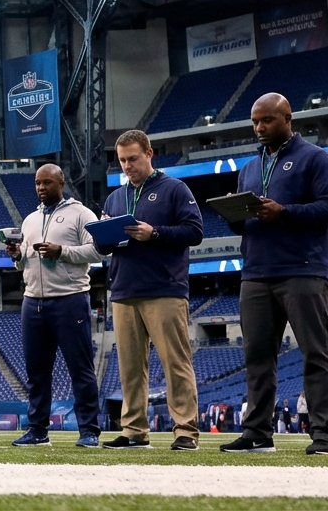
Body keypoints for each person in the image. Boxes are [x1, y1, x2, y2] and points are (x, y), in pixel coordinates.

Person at [222, 93, 328, 456]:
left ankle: (325, 436)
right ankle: (257, 433)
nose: (260, 128)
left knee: (315, 353)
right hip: (256, 272)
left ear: (288, 119)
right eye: (255, 122)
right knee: (257, 356)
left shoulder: (316, 158)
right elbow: (248, 224)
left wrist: (285, 212)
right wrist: (234, 215)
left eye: (267, 120)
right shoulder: (249, 167)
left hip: (302, 270)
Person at [96, 130, 203, 451]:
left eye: (133, 158)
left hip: (164, 289)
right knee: (129, 368)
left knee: (176, 362)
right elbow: (104, 248)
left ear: (149, 154)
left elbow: (194, 231)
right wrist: (102, 233)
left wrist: (153, 233)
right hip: (124, 290)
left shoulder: (174, 189)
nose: (127, 166)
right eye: (122, 160)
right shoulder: (115, 197)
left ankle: (185, 430)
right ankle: (134, 431)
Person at [4, 163, 102, 448]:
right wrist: (16, 254)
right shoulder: (29, 220)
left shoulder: (81, 214)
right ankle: (37, 430)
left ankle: (89, 431)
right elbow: (22, 262)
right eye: (37, 183)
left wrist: (63, 252)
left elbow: (97, 250)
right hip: (32, 302)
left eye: (47, 182)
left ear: (61, 183)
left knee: (80, 369)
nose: (41, 188)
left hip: (70, 300)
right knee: (36, 372)